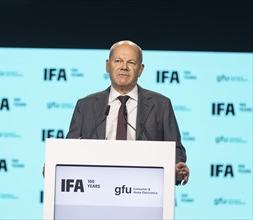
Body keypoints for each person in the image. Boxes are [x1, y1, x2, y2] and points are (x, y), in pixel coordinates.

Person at [66, 40, 189, 185]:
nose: (124, 67)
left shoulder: (161, 105)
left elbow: (175, 149)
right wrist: (55, 165)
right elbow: (69, 149)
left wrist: (177, 167)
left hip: (143, 186)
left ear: (140, 69)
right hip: (95, 185)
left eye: (131, 62)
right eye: (118, 61)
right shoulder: (86, 105)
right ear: (107, 65)